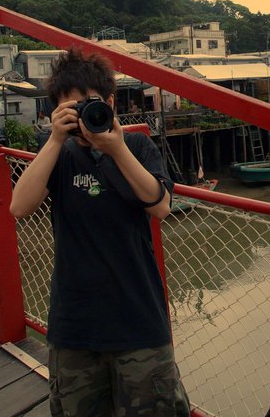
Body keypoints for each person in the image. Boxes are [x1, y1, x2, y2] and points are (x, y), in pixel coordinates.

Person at [10, 47, 190, 417]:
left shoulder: (136, 146)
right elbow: (19, 207)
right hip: (75, 327)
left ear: (109, 103)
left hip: (138, 322)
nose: (82, 116)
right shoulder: (58, 153)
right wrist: (54, 139)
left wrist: (116, 149)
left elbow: (160, 206)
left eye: (89, 105)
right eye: (70, 108)